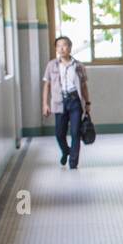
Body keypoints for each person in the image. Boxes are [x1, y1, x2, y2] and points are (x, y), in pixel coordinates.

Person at [42, 35, 91, 170]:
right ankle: (66, 151)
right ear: (56, 49)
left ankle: (73, 162)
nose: (61, 48)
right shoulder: (52, 65)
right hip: (59, 102)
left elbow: (84, 86)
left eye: (64, 45)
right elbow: (47, 85)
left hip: (75, 101)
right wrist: (45, 104)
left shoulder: (79, 66)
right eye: (58, 46)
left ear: (70, 48)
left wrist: (87, 103)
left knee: (75, 132)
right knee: (59, 134)